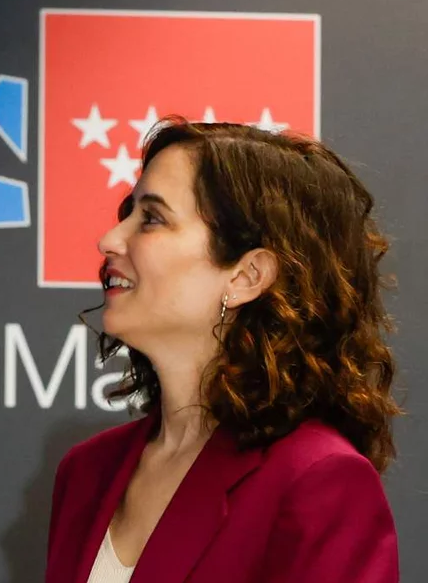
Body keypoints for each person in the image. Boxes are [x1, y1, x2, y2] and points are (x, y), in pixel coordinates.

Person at [46, 119, 401, 583]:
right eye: (127, 212)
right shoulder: (86, 472)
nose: (109, 240)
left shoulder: (317, 479)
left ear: (247, 275)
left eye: (151, 218)